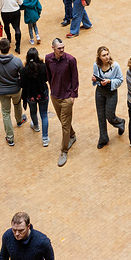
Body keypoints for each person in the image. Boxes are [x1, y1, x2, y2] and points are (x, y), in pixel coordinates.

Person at [45, 39, 79, 167]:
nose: (62, 50)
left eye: (63, 47)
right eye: (59, 48)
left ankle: (64, 151)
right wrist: (52, 89)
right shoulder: (48, 59)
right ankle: (72, 135)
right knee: (62, 120)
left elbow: (75, 78)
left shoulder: (70, 60)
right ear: (53, 48)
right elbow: (48, 75)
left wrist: (73, 96)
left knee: (64, 123)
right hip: (55, 95)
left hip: (66, 98)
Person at [0, 38, 25, 146]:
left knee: (6, 113)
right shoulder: (17, 61)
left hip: (2, 91)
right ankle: (19, 121)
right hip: (15, 89)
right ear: (10, 47)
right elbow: (22, 76)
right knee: (17, 104)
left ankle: (10, 138)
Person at [91, 46, 126, 149]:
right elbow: (96, 79)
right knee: (101, 116)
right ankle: (103, 138)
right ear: (99, 57)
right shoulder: (96, 65)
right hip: (100, 92)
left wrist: (110, 81)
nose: (106, 57)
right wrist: (94, 80)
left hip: (111, 92)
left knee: (109, 115)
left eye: (107, 54)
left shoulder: (115, 66)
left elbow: (120, 79)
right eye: (103, 55)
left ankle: (120, 122)